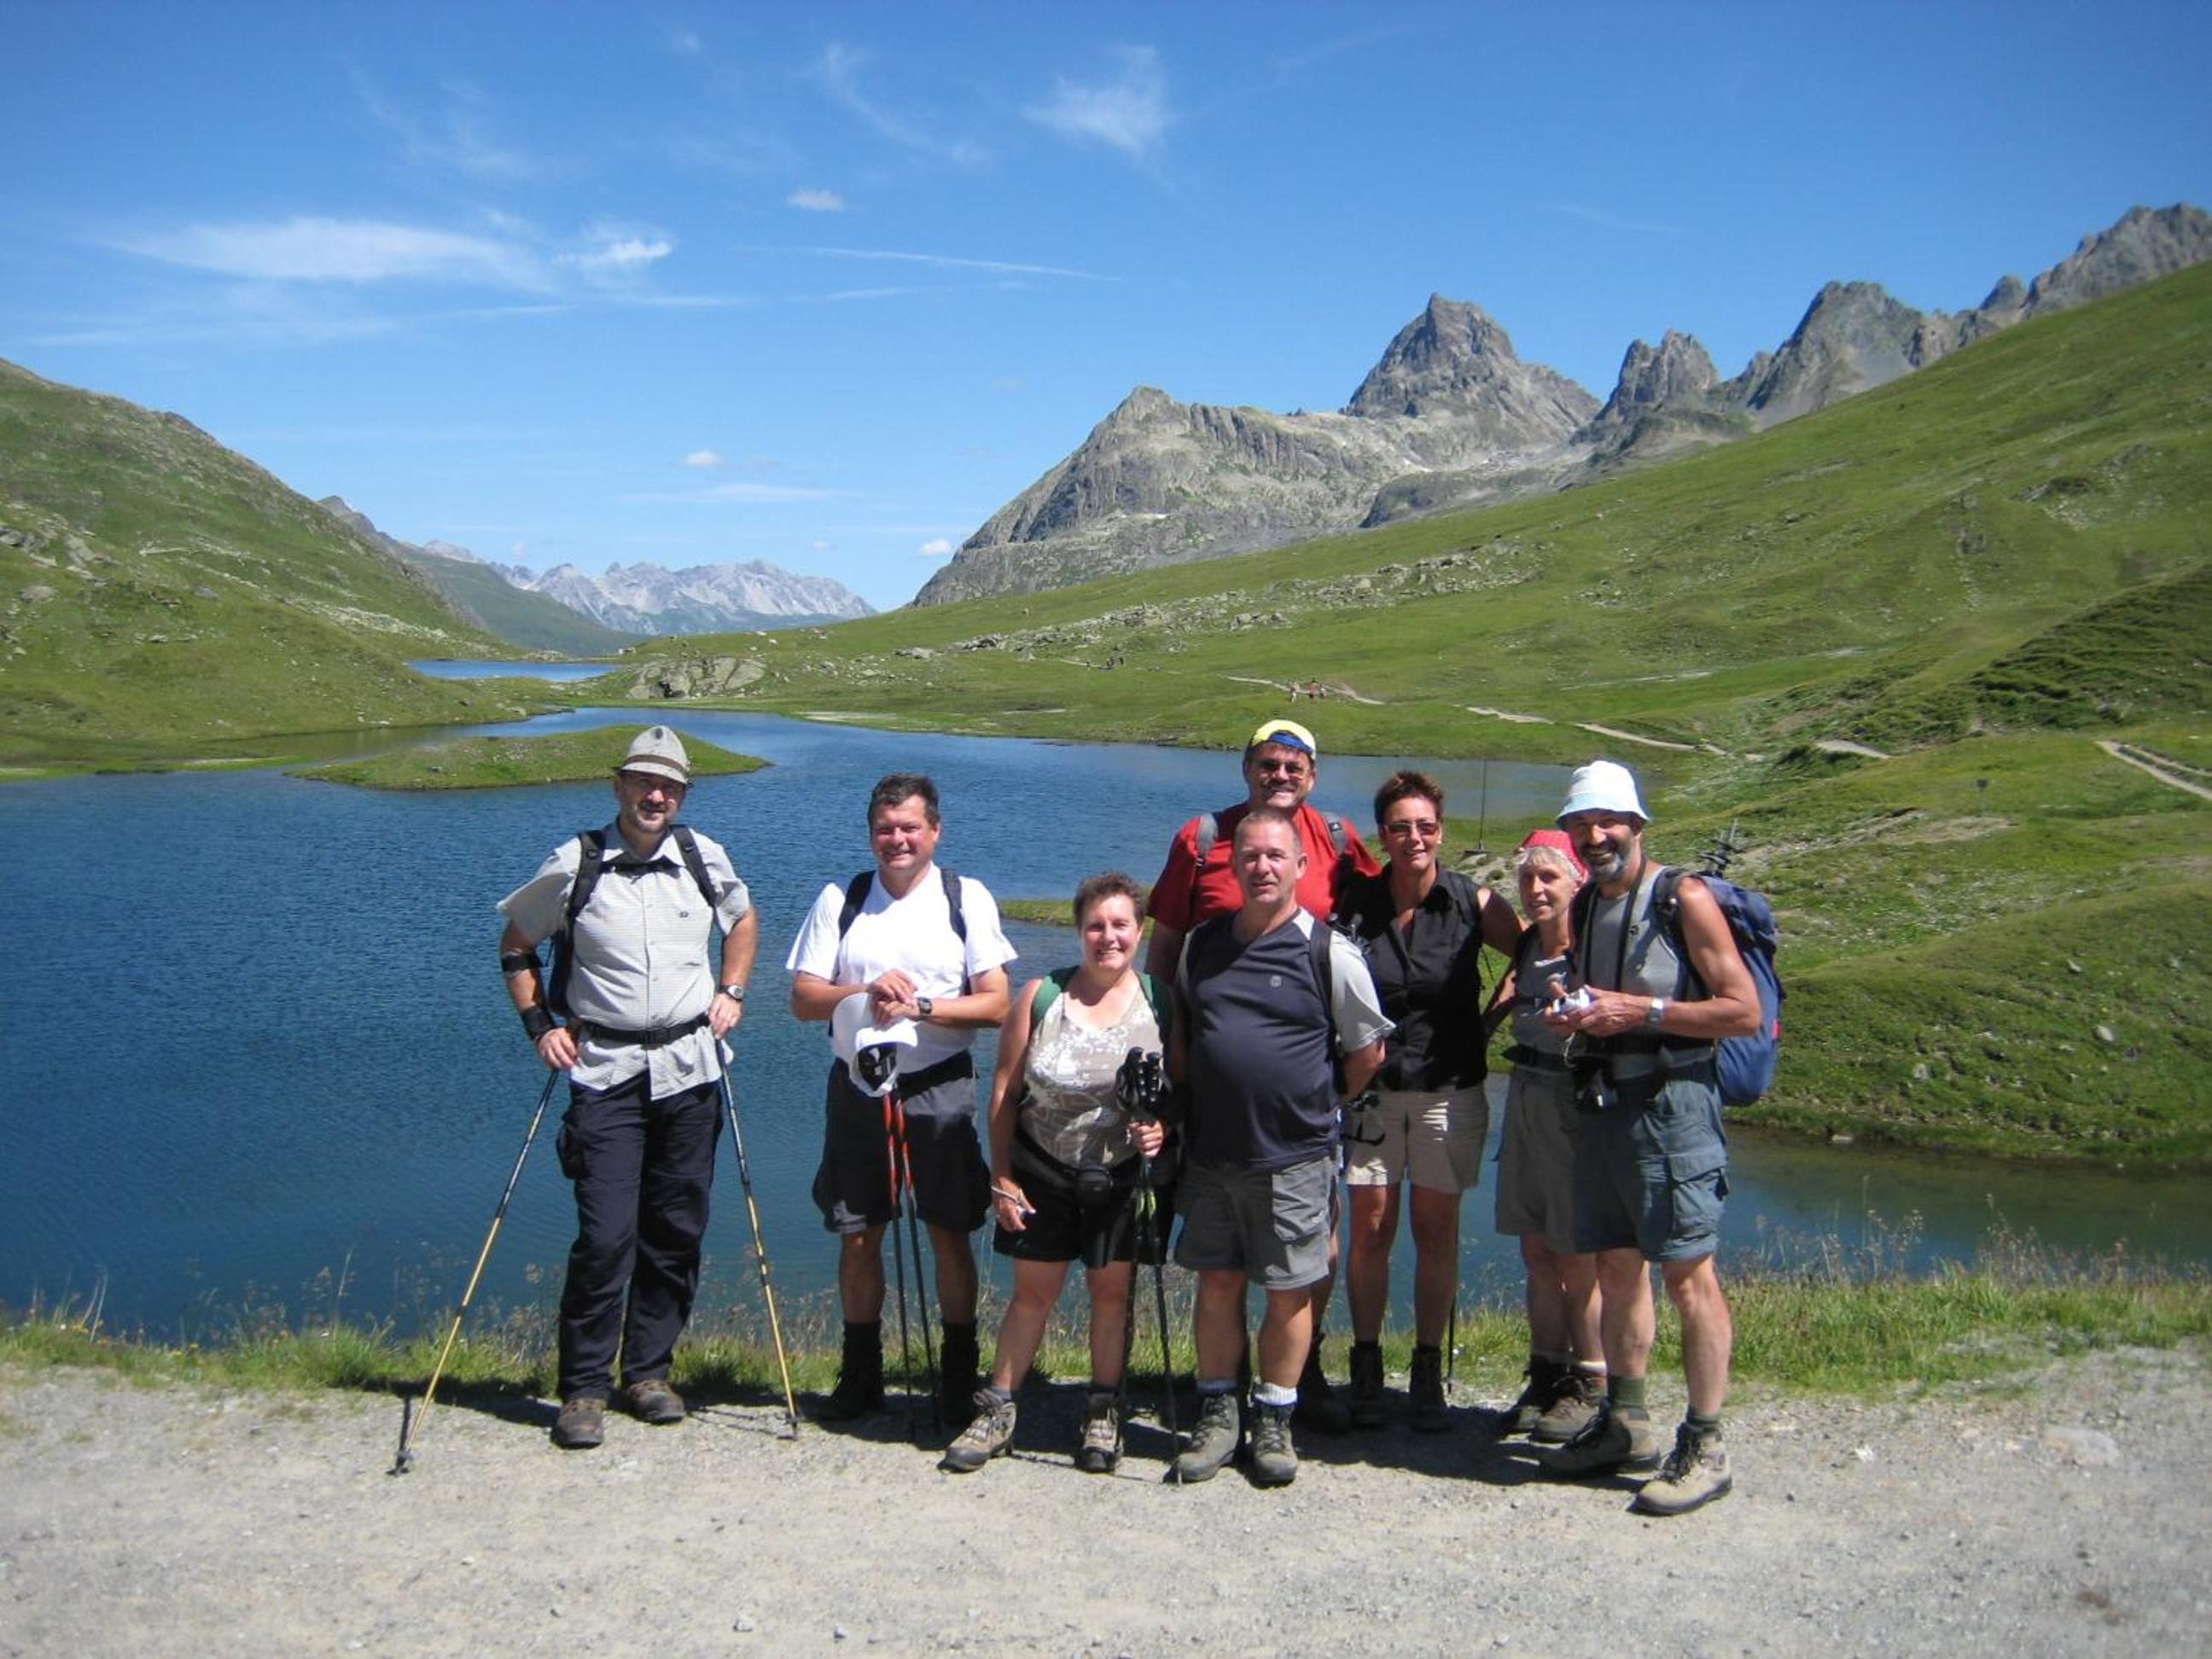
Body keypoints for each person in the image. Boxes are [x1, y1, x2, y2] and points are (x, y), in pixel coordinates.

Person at [496, 725, 760, 1451]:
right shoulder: (574, 863)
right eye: (644, 782)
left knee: (676, 1231)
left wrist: (732, 989)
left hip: (690, 1070)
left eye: (669, 786)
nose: (656, 796)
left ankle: (648, 1374)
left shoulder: (704, 857)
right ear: (618, 786)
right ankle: (584, 1388)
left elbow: (742, 919)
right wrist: (540, 1027)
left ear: (683, 795)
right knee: (606, 1236)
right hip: (606, 1072)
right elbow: (516, 946)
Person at [1144, 717, 1381, 1431]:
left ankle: (1299, 1381)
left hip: (1301, 1107)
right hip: (1214, 1107)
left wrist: (1328, 1093)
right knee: (1219, 1270)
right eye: (1267, 765)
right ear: (1246, 770)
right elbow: (1166, 948)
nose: (1280, 776)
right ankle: (1224, 1394)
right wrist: (1168, 1057)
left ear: (1312, 776)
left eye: (1293, 766)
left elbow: (1378, 915)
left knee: (1308, 1255)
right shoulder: (1201, 840)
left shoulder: (1336, 839)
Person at [1540, 760, 1760, 1516]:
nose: (1594, 836)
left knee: (1688, 1273)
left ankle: (1706, 1443)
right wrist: (1578, 1012)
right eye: (1580, 825)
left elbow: (1742, 1011)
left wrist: (1641, 1013)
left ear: (1637, 824)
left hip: (1673, 1108)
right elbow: (1604, 998)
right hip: (1605, 1103)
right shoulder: (1588, 904)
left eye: (1607, 821)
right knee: (1616, 1265)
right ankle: (1626, 1422)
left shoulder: (1683, 897)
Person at [787, 773, 1014, 1429]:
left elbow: (997, 1004)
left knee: (948, 1230)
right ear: (871, 835)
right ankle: (861, 1377)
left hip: (939, 1083)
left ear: (934, 832)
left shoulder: (965, 898)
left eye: (910, 828)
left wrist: (921, 1006)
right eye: (885, 829)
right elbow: (804, 999)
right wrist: (862, 993)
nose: (898, 840)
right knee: (859, 1233)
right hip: (858, 1084)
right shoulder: (843, 899)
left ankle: (958, 1376)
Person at [939, 873, 1173, 1476]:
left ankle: (1103, 1411)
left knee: (1111, 1297)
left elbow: (1183, 1091)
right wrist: (1002, 1177)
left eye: (1120, 925)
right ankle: (997, 1409)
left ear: (1140, 930)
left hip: (1121, 1177)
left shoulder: (1162, 1002)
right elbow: (1003, 1091)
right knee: (1031, 1296)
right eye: (1095, 926)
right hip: (1042, 1171)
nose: (1108, 937)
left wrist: (1162, 1129)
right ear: (1078, 930)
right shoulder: (1042, 997)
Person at [1332, 771, 1521, 1431]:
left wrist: (1492, 1020)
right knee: (1370, 1231)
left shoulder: (1473, 901)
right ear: (1382, 835)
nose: (1415, 838)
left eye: (1426, 826)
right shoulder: (1357, 904)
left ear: (1441, 831)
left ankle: (1426, 1370)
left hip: (1450, 1088)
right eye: (1400, 827)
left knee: (1436, 1231)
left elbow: (1535, 952)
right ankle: (1365, 1365)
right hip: (1372, 1092)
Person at [1488, 829, 1605, 1442]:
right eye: (1527, 878)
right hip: (1526, 1099)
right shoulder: (1530, 943)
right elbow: (1508, 998)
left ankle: (1592, 1381)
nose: (1535, 889)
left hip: (1574, 1106)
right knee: (1536, 1250)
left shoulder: (1596, 947)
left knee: (1576, 1254)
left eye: (1548, 877)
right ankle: (1546, 1374)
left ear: (1577, 881)